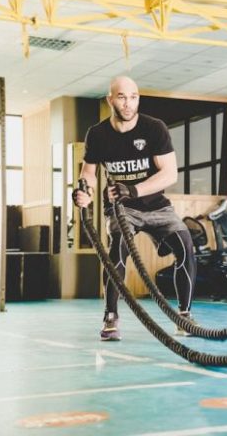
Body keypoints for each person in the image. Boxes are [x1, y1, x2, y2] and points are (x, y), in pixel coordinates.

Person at [72, 76, 197, 341]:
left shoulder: (155, 128)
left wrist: (136, 189)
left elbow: (170, 173)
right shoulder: (98, 134)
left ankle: (184, 316)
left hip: (156, 207)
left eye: (133, 97)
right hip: (121, 209)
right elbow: (90, 172)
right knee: (117, 249)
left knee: (185, 245)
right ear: (110, 100)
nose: (128, 103)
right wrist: (86, 192)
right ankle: (110, 317)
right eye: (121, 97)